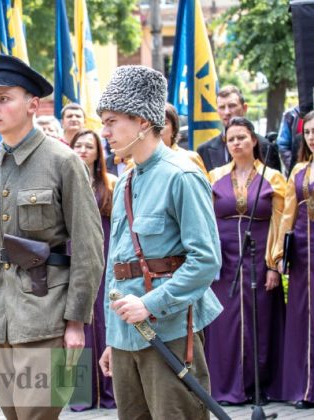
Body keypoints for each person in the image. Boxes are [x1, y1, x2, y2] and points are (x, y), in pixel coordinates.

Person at [0, 53, 104, 419]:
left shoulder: (63, 161)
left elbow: (89, 247)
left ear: (32, 105)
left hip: (45, 316)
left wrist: (76, 322)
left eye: (4, 99)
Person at [96, 66, 222, 419]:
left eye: (111, 121)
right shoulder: (125, 181)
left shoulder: (182, 175)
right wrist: (112, 337)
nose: (104, 132)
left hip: (166, 328)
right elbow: (117, 267)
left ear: (141, 122)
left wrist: (151, 304)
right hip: (126, 333)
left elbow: (206, 260)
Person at [205, 116, 286, 404]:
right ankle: (225, 387)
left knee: (260, 323)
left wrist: (274, 265)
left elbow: (281, 223)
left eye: (242, 137)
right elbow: (206, 221)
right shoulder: (214, 176)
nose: (237, 143)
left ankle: (259, 386)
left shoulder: (273, 177)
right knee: (224, 323)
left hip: (259, 257)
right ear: (225, 145)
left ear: (254, 140)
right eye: (231, 139)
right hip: (224, 262)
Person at [69, 129, 116, 410]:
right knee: (75, 322)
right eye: (79, 145)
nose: (83, 150)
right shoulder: (61, 181)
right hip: (71, 255)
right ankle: (78, 393)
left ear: (99, 153)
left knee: (103, 320)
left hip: (103, 255)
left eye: (90, 146)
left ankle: (110, 389)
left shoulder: (109, 184)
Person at [272, 110, 314, 409]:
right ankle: (306, 388)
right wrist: (279, 255)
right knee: (302, 318)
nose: (311, 136)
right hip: (303, 253)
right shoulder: (299, 169)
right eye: (308, 132)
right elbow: (287, 214)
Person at [197, 85, 281, 172]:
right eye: (222, 107)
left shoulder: (267, 147)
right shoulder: (204, 151)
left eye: (232, 106)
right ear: (217, 111)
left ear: (244, 108)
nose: (227, 112)